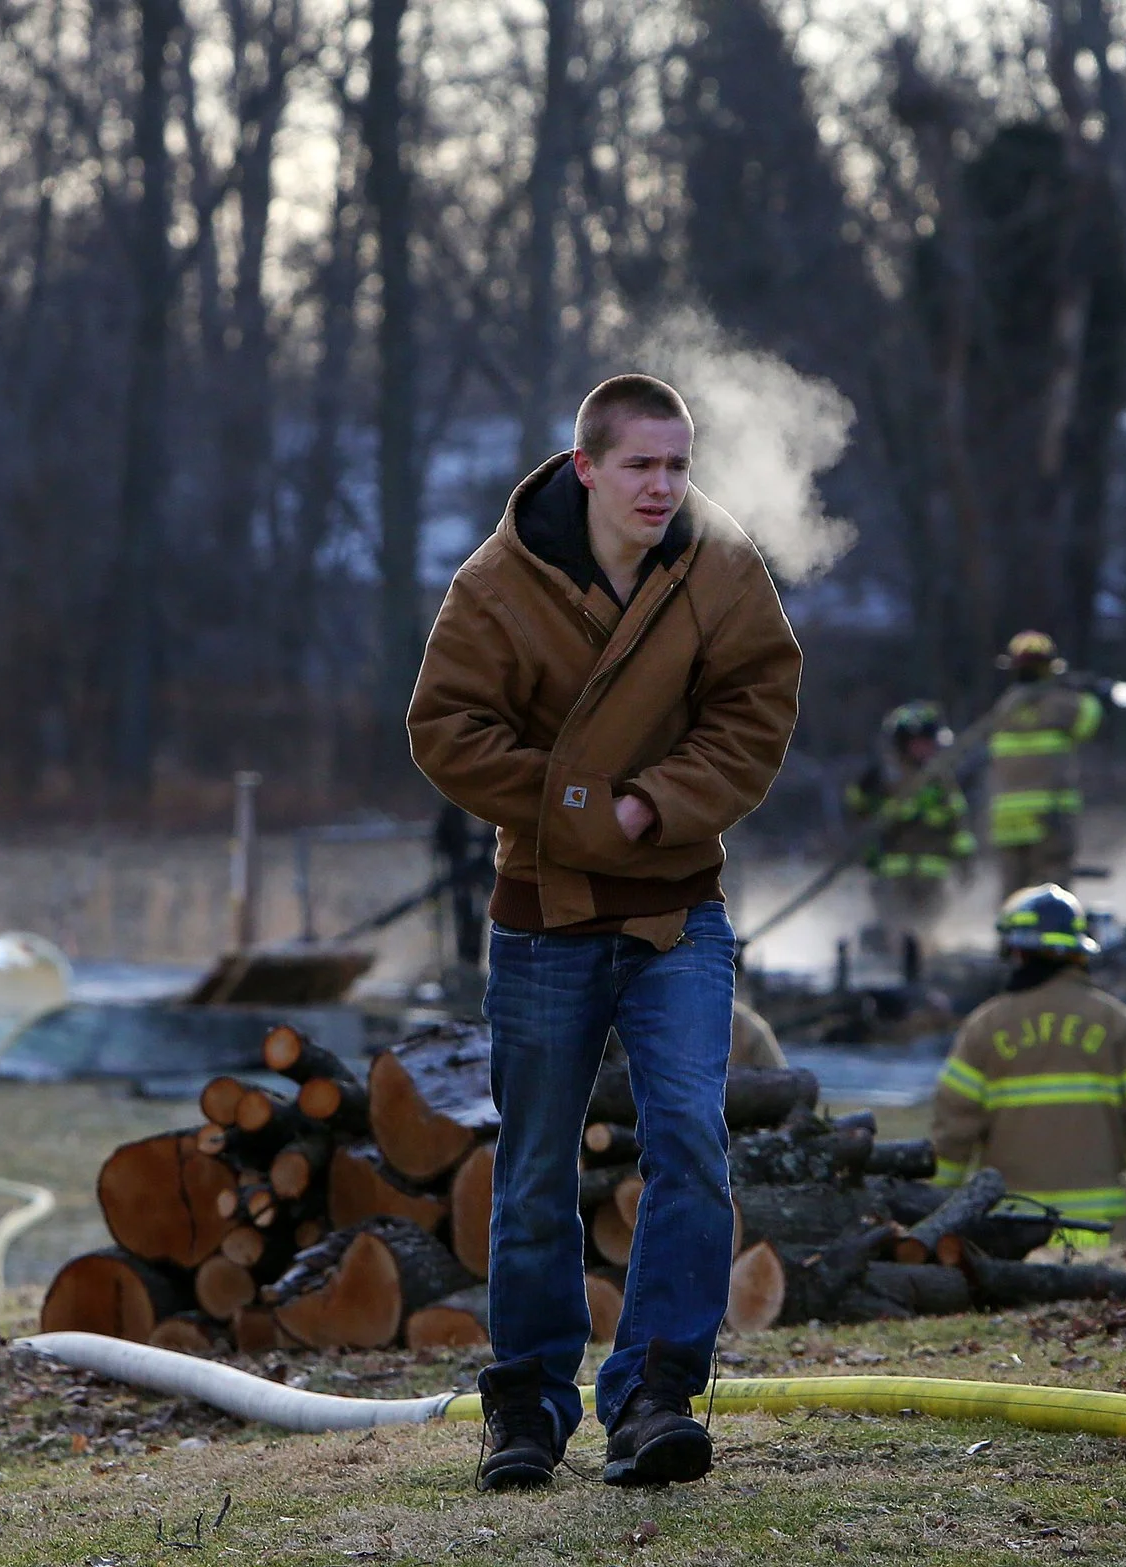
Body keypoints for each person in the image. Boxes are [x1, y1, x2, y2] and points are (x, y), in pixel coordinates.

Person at [408, 374, 801, 1491]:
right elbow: (443, 727)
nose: (663, 486)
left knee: (690, 1138)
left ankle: (654, 1394)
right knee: (532, 1165)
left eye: (678, 465)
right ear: (585, 466)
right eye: (640, 465)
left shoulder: (718, 566)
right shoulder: (497, 582)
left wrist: (658, 806)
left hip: (680, 908)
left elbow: (758, 704)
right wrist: (583, 806)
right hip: (544, 917)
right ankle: (526, 1405)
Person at [930, 884, 1126, 1236]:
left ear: (1016, 952)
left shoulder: (985, 1027)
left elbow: (952, 1136)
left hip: (1010, 1236)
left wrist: (934, 1213)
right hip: (1101, 1234)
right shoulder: (1117, 1023)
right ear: (1079, 954)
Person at [939, 631, 1106, 893]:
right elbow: (1090, 721)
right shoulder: (1063, 704)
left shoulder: (1005, 708)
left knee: (1014, 897)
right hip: (1048, 819)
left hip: (1008, 822)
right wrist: (1082, 692)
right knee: (1051, 897)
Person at [843, 701, 975, 964]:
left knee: (927, 936)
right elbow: (858, 816)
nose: (928, 749)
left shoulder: (941, 781)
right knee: (897, 934)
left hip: (933, 878)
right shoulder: (882, 779)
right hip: (893, 877)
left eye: (930, 742)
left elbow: (957, 824)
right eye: (921, 743)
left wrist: (965, 861)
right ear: (904, 743)